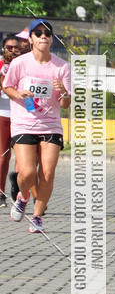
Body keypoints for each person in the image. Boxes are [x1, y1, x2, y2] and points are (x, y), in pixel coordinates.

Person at [3, 19, 71, 233]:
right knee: (27, 172)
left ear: (51, 39)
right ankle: (23, 197)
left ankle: (37, 216)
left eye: (47, 33)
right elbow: (8, 87)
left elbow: (65, 103)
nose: (43, 36)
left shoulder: (62, 66)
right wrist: (18, 93)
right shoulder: (20, 63)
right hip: (24, 123)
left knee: (48, 174)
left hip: (51, 125)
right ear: (31, 39)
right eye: (38, 33)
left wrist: (64, 93)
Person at [0, 34, 26, 206]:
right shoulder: (0, 65)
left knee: (24, 158)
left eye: (17, 48)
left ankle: (17, 187)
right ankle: (0, 192)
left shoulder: (26, 65)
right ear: (4, 49)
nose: (13, 51)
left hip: (22, 115)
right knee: (3, 155)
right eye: (10, 47)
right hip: (3, 114)